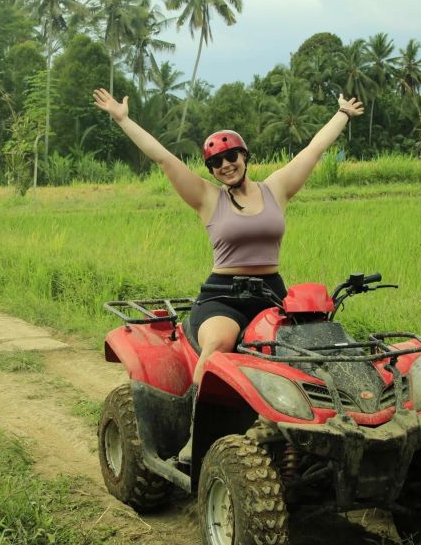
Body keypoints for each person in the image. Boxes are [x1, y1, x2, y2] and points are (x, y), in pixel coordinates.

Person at [93, 86, 364, 460]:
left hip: (271, 294)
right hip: (223, 296)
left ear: (244, 156)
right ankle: (194, 439)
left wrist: (343, 115)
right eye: (216, 162)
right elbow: (164, 159)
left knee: (311, 353)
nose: (225, 165)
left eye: (230, 155)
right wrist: (123, 120)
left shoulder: (276, 189)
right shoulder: (208, 198)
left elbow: (313, 151)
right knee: (218, 344)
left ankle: (318, 436)